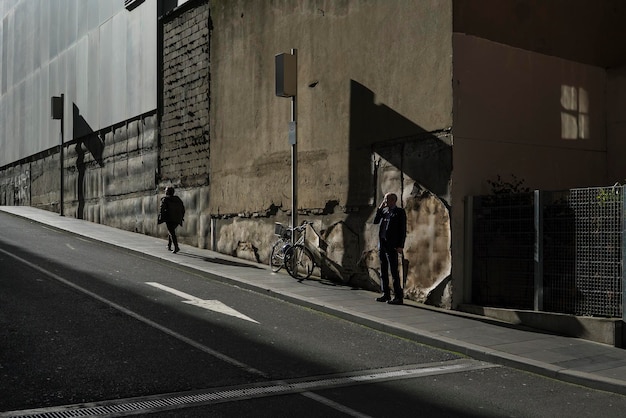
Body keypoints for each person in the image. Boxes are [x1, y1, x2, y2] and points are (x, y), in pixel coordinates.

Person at [373, 192, 406, 305]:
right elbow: (375, 221)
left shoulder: (399, 212)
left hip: (392, 245)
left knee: (394, 271)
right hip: (382, 244)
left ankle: (398, 296)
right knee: (383, 270)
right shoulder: (384, 211)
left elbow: (402, 229)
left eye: (387, 200)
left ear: (393, 200)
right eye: (385, 200)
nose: (385, 202)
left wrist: (400, 245)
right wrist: (379, 208)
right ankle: (385, 293)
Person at [158, 186, 185, 254]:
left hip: (169, 217)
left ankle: (176, 247)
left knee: (171, 232)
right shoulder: (178, 199)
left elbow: (162, 209)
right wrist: (181, 217)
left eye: (166, 191)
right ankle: (169, 245)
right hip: (177, 218)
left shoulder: (165, 199)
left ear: (167, 192)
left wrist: (161, 217)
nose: (165, 191)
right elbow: (183, 209)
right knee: (171, 231)